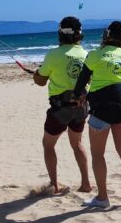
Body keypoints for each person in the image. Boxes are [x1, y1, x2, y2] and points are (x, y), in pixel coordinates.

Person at [72, 20, 121, 210]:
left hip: (102, 109)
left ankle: (103, 198)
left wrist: (80, 96)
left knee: (97, 154)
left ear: (107, 36)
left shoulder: (94, 55)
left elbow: (80, 85)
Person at [32, 16, 92, 196]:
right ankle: (86, 183)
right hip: (81, 108)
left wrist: (37, 73)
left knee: (48, 145)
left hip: (60, 110)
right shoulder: (86, 54)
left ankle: (54, 185)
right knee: (77, 143)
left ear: (60, 33)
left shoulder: (53, 54)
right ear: (79, 34)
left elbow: (40, 81)